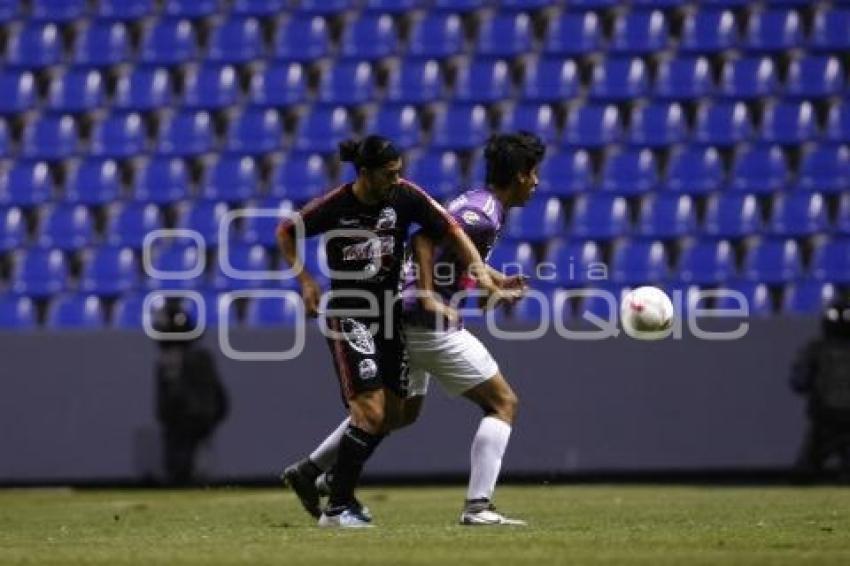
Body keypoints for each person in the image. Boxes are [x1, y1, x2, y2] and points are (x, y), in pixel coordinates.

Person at [284, 132, 545, 525]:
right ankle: (477, 507)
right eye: (534, 173)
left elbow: (447, 237)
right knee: (502, 402)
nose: (538, 182)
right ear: (520, 175)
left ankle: (312, 471)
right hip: (420, 321)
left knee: (397, 413)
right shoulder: (483, 213)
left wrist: (490, 278)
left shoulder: (462, 201)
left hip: (395, 315)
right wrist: (426, 293)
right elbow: (427, 238)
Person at [153, 299, 229, 485]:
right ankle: (186, 477)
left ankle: (191, 478)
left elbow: (216, 392)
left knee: (190, 459)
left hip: (193, 420)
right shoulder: (175, 361)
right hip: (186, 420)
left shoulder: (196, 359)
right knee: (183, 461)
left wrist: (207, 413)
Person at [791, 297, 850, 478]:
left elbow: (799, 382)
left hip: (827, 419)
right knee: (804, 471)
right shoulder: (816, 350)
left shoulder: (815, 349)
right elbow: (799, 381)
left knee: (805, 471)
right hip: (825, 420)